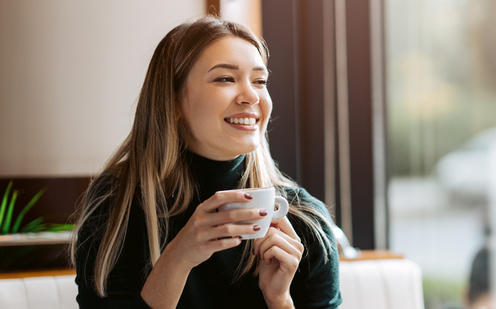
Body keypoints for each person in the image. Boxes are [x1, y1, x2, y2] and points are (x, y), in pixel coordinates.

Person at [70, 16, 342, 308]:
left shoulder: (305, 219)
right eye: (225, 78)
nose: (251, 95)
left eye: (260, 81)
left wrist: (279, 300)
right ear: (172, 101)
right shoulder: (117, 203)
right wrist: (177, 260)